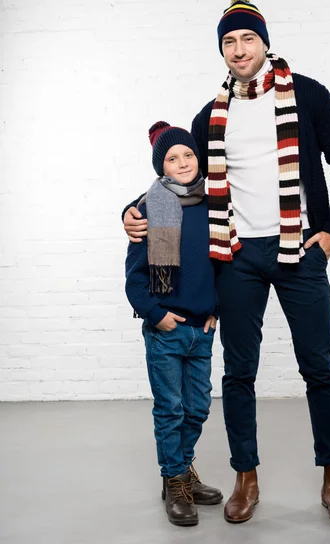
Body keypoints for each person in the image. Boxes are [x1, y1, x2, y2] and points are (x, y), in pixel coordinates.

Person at [122, 0, 330, 528]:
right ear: (221, 51)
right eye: (228, 41)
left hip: (300, 249)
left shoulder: (307, 94)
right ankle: (245, 476)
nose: (238, 49)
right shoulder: (209, 116)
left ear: (264, 42)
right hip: (236, 257)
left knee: (319, 368)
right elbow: (177, 189)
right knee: (239, 372)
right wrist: (132, 213)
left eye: (247, 38)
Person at [125, 121, 223, 526]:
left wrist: (216, 310)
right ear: (160, 166)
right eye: (171, 157)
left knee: (198, 407)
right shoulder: (149, 209)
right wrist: (156, 315)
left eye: (187, 154)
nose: (182, 163)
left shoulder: (214, 204)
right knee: (171, 409)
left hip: (202, 328)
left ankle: (181, 469)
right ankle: (175, 481)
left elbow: (223, 265)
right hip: (165, 330)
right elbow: (134, 279)